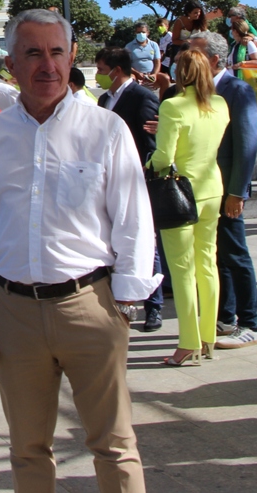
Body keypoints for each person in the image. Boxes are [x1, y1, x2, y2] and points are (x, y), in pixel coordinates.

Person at [0, 9, 158, 492]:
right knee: (27, 449)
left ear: (71, 59)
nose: (47, 65)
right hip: (12, 313)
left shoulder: (106, 130)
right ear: (11, 64)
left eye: (56, 52)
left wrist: (124, 304)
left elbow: (133, 221)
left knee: (113, 443)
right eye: (32, 53)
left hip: (91, 306)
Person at [148, 50, 229, 365]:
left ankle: (188, 343)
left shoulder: (173, 105)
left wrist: (146, 163)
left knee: (182, 271)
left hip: (180, 192)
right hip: (212, 189)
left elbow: (164, 157)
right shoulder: (220, 104)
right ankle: (207, 337)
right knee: (207, 264)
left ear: (180, 74)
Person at [188, 31, 257, 350]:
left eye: (195, 53)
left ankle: (250, 322)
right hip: (203, 188)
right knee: (214, 256)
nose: (187, 59)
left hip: (227, 188)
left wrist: (238, 192)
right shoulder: (193, 91)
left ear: (215, 59)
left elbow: (246, 145)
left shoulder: (237, 90)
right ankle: (225, 316)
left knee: (235, 253)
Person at [95, 47, 163, 332]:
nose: (98, 75)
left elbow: (150, 143)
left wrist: (145, 171)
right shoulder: (103, 99)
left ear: (116, 70)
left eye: (100, 69)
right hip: (107, 181)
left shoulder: (142, 97)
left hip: (136, 180)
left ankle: (154, 306)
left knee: (145, 242)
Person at [163, 1, 208, 79]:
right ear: (188, 12)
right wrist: (186, 42)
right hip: (181, 49)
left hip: (196, 50)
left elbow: (205, 35)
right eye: (195, 12)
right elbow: (174, 40)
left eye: (199, 12)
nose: (198, 14)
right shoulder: (179, 22)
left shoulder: (200, 22)